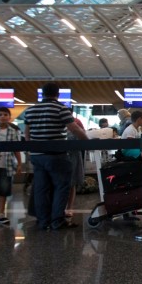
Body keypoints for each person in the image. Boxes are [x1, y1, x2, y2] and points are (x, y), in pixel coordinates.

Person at [23, 82, 88, 231]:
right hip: (56, 155)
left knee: (41, 188)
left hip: (37, 156)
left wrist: (32, 150)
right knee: (61, 187)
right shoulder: (61, 109)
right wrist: (87, 142)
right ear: (57, 94)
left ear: (42, 93)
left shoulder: (30, 110)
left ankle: (43, 221)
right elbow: (74, 128)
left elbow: (27, 133)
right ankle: (57, 220)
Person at [66, 118, 86, 217]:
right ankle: (68, 208)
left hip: (70, 156)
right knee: (71, 183)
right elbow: (83, 135)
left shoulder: (75, 122)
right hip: (71, 156)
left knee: (71, 183)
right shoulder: (75, 122)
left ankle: (68, 207)